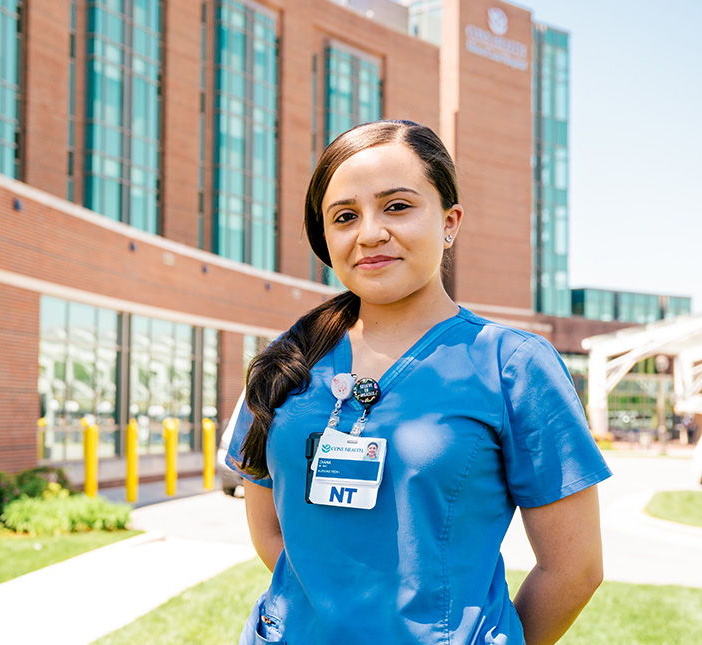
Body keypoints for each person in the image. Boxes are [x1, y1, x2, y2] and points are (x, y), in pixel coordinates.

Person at [226, 120, 610, 645]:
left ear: (449, 221)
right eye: (345, 216)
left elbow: (575, 569)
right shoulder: (287, 362)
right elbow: (270, 533)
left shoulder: (514, 365)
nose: (369, 233)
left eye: (397, 206)